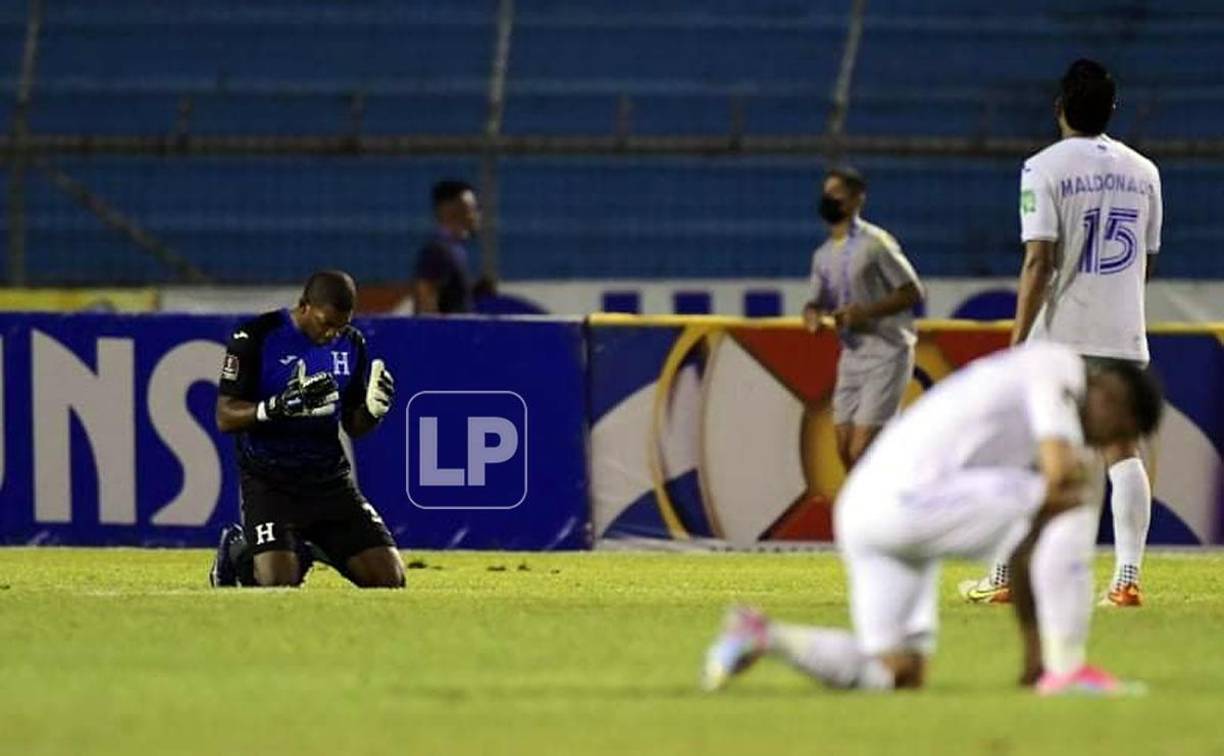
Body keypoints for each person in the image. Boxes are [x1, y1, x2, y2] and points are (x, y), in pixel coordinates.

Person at [702, 344, 1162, 696]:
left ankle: (764, 635)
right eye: (1116, 428)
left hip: (868, 509)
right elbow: (1059, 485)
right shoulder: (1058, 366)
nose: (1105, 441)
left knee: (896, 672)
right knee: (1074, 494)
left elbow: (1025, 552)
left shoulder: (1034, 425)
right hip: (909, 499)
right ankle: (1069, 672)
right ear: (1110, 393)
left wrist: (1031, 658)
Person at [962, 59, 1163, 608]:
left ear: (1059, 109)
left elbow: (1038, 262)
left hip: (1060, 338)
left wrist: (1017, 337)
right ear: (1110, 109)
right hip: (1122, 334)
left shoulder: (1042, 168)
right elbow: (1146, 260)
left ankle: (1003, 574)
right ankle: (1126, 579)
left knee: (1026, 453)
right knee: (1123, 453)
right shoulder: (1146, 171)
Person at [208, 270, 404, 589]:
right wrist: (277, 406)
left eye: (340, 326)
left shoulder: (352, 344)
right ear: (304, 306)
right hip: (269, 481)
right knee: (278, 584)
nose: (331, 334)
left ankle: (314, 544)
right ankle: (239, 552)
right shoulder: (256, 336)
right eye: (326, 323)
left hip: (329, 481)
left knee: (389, 579)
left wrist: (372, 412)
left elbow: (353, 426)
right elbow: (225, 416)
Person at [803, 166, 924, 470]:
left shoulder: (876, 244)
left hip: (887, 352)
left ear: (857, 200)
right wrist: (812, 315)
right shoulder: (823, 256)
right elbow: (815, 302)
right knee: (844, 450)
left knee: (862, 449)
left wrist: (865, 313)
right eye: (826, 194)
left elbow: (912, 291)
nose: (828, 200)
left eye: (836, 195)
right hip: (853, 356)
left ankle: (889, 507)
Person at [412, 179, 482, 314]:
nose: (476, 215)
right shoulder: (438, 251)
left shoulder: (454, 250)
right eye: (472, 208)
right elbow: (425, 302)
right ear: (451, 210)